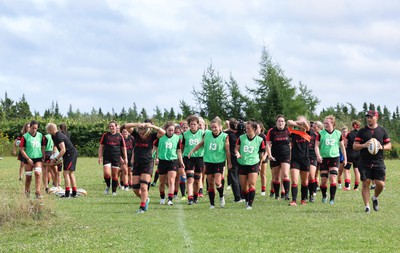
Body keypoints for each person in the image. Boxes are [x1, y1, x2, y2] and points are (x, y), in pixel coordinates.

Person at [121, 119, 166, 214]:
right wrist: (139, 124)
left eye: (143, 133)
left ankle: (142, 207)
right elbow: (126, 126)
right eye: (140, 133)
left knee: (144, 187)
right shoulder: (136, 135)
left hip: (148, 163)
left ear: (147, 131)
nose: (141, 135)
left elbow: (163, 132)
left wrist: (151, 126)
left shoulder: (152, 136)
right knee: (135, 188)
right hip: (137, 163)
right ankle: (145, 199)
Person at [188, 117, 232, 209]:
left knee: (217, 182)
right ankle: (212, 204)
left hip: (219, 161)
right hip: (208, 161)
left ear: (220, 127)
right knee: (210, 183)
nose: (213, 129)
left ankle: (221, 196)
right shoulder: (207, 134)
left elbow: (227, 151)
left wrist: (229, 163)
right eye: (212, 127)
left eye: (215, 127)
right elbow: (201, 144)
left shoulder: (224, 136)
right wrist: (192, 151)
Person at [353, 110, 391, 212]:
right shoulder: (362, 131)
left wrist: (381, 147)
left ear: (376, 118)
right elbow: (355, 146)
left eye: (371, 117)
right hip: (364, 161)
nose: (369, 119)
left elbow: (389, 145)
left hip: (378, 161)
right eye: (367, 117)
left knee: (381, 184)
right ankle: (367, 206)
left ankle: (375, 197)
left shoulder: (382, 131)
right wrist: (364, 145)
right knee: (366, 182)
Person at [315, 115, 347, 205]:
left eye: (327, 123)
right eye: (324, 123)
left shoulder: (338, 133)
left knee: (333, 178)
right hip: (324, 158)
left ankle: (332, 199)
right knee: (323, 181)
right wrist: (318, 155)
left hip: (334, 158)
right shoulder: (320, 134)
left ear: (332, 123)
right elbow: (316, 146)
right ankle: (324, 195)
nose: (325, 125)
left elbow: (342, 146)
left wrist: (345, 158)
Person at [235, 121, 266, 209]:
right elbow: (236, 149)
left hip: (254, 163)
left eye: (249, 128)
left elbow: (261, 154)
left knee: (252, 184)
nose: (246, 130)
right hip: (242, 163)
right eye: (246, 128)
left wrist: (260, 164)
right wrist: (237, 153)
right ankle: (247, 199)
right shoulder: (241, 138)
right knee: (244, 187)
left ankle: (250, 204)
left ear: (254, 129)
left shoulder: (260, 140)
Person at [46, 123, 79, 198]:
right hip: (69, 154)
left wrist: (56, 159)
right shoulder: (53, 136)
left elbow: (63, 149)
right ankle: (74, 192)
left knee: (66, 173)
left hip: (70, 154)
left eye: (48, 130)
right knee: (70, 173)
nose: (47, 132)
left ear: (51, 129)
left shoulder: (58, 136)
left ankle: (67, 194)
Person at [155, 122, 184, 206]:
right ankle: (162, 197)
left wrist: (181, 162)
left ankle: (170, 199)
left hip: (173, 161)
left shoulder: (177, 138)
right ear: (166, 130)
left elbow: (178, 151)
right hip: (162, 161)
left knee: (172, 180)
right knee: (162, 182)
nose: (171, 132)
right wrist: (156, 158)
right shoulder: (160, 137)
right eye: (169, 130)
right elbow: (156, 148)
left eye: (172, 130)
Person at [98, 121, 128, 196]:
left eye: (112, 126)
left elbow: (123, 148)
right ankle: (108, 186)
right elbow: (101, 146)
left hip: (116, 157)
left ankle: (114, 191)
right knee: (107, 174)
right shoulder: (105, 135)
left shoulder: (120, 136)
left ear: (116, 127)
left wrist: (125, 158)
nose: (111, 127)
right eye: (110, 126)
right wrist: (100, 156)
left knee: (115, 174)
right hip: (107, 157)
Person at [266, 115, 291, 200]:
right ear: (276, 122)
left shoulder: (288, 130)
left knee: (285, 174)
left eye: (282, 121)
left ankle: (286, 194)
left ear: (285, 123)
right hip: (275, 155)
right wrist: (269, 155)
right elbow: (268, 144)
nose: (280, 123)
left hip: (285, 155)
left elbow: (292, 143)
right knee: (276, 177)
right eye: (279, 121)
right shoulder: (272, 131)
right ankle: (277, 195)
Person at [287, 116, 311, 206]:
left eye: (301, 121)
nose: (299, 123)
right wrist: (300, 125)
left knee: (304, 182)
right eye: (298, 121)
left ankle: (303, 199)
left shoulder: (308, 132)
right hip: (295, 158)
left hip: (305, 159)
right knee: (294, 180)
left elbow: (306, 125)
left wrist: (302, 124)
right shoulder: (293, 132)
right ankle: (293, 200)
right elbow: (289, 121)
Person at [19, 120, 46, 199]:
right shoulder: (25, 136)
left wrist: (43, 156)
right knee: (28, 177)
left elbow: (43, 146)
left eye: (36, 128)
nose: (34, 130)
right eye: (33, 128)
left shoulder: (40, 135)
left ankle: (38, 192)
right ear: (29, 127)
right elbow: (21, 149)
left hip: (38, 158)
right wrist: (28, 159)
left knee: (38, 173)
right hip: (28, 158)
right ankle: (27, 192)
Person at [182, 115, 205, 205]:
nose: (192, 126)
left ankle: (195, 196)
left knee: (197, 180)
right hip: (188, 158)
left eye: (194, 124)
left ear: (198, 124)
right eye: (191, 124)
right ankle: (190, 198)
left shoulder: (202, 133)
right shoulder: (185, 134)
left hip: (199, 157)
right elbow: (182, 147)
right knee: (190, 179)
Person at [224, 118, 244, 203]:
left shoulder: (227, 134)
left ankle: (237, 197)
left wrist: (229, 162)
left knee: (234, 178)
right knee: (241, 177)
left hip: (232, 157)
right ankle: (243, 196)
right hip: (241, 157)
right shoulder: (241, 133)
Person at [344, 121, 361, 191]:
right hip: (359, 154)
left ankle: (347, 186)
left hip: (350, 153)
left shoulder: (349, 134)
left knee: (347, 169)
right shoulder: (362, 134)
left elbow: (345, 143)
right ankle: (356, 187)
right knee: (356, 170)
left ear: (353, 125)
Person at [256, 121, 268, 196]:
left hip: (263, 157)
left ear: (260, 128)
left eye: (257, 128)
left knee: (262, 174)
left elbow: (267, 147)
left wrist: (265, 156)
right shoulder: (252, 136)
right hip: (254, 157)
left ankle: (263, 190)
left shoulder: (263, 136)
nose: (256, 130)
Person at [307, 121, 318, 202]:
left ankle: (312, 194)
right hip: (303, 155)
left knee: (311, 175)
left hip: (313, 155)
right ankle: (305, 194)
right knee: (305, 177)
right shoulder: (300, 133)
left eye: (312, 126)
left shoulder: (316, 135)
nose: (311, 127)